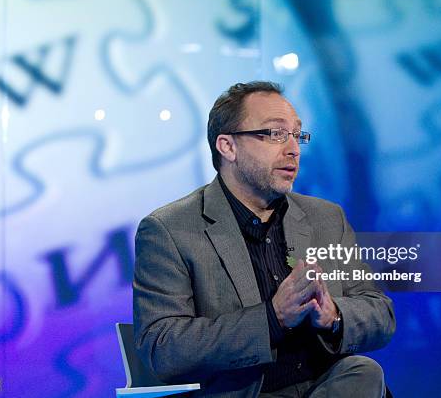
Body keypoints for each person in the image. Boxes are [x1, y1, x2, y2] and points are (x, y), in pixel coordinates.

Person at [133, 81, 395, 397]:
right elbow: (162, 349)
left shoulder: (325, 218)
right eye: (274, 134)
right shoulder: (169, 230)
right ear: (227, 147)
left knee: (363, 371)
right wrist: (272, 318)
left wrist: (333, 315)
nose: (293, 149)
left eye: (297, 135)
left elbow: (380, 313)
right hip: (248, 391)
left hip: (330, 386)